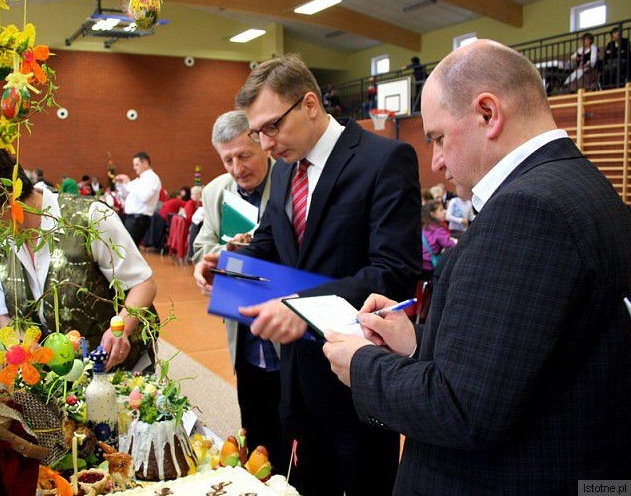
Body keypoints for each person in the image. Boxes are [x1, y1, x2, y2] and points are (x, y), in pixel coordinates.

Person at [322, 40, 631, 492]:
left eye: (438, 138)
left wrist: (363, 366)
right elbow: (520, 358)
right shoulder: (584, 185)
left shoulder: (528, 208)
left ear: (488, 114)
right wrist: (415, 343)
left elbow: (463, 410)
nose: (437, 161)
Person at [194, 55, 421, 495]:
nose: (265, 142)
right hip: (296, 380)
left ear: (311, 104)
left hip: (358, 382)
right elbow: (270, 242)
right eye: (257, 132)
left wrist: (302, 307)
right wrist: (226, 263)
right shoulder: (282, 170)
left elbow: (393, 272)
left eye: (271, 127)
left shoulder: (383, 159)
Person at [0, 150, 158, 371]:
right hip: (54, 384)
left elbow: (143, 283)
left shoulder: (89, 218)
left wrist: (120, 329)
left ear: (7, 199)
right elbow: (5, 314)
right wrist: (21, 343)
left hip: (116, 372)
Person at [192, 110, 280, 471]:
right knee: (255, 421)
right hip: (243, 328)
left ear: (262, 143)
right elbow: (202, 245)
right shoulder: (215, 192)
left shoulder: (290, 180)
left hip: (287, 321)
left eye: (244, 155)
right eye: (227, 159)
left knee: (294, 428)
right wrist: (211, 260)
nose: (237, 167)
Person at [114, 152, 162, 245]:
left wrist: (128, 183)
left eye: (136, 164)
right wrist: (121, 184)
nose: (134, 167)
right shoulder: (139, 179)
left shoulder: (152, 178)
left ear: (145, 163)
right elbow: (126, 196)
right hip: (131, 218)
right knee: (127, 248)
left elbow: (144, 197)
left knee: (128, 248)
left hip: (138, 219)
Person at [421, 200, 456, 280]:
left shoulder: (424, 227)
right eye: (440, 210)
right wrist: (454, 242)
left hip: (422, 262)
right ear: (432, 214)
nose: (444, 212)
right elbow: (449, 244)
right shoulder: (438, 229)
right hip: (432, 264)